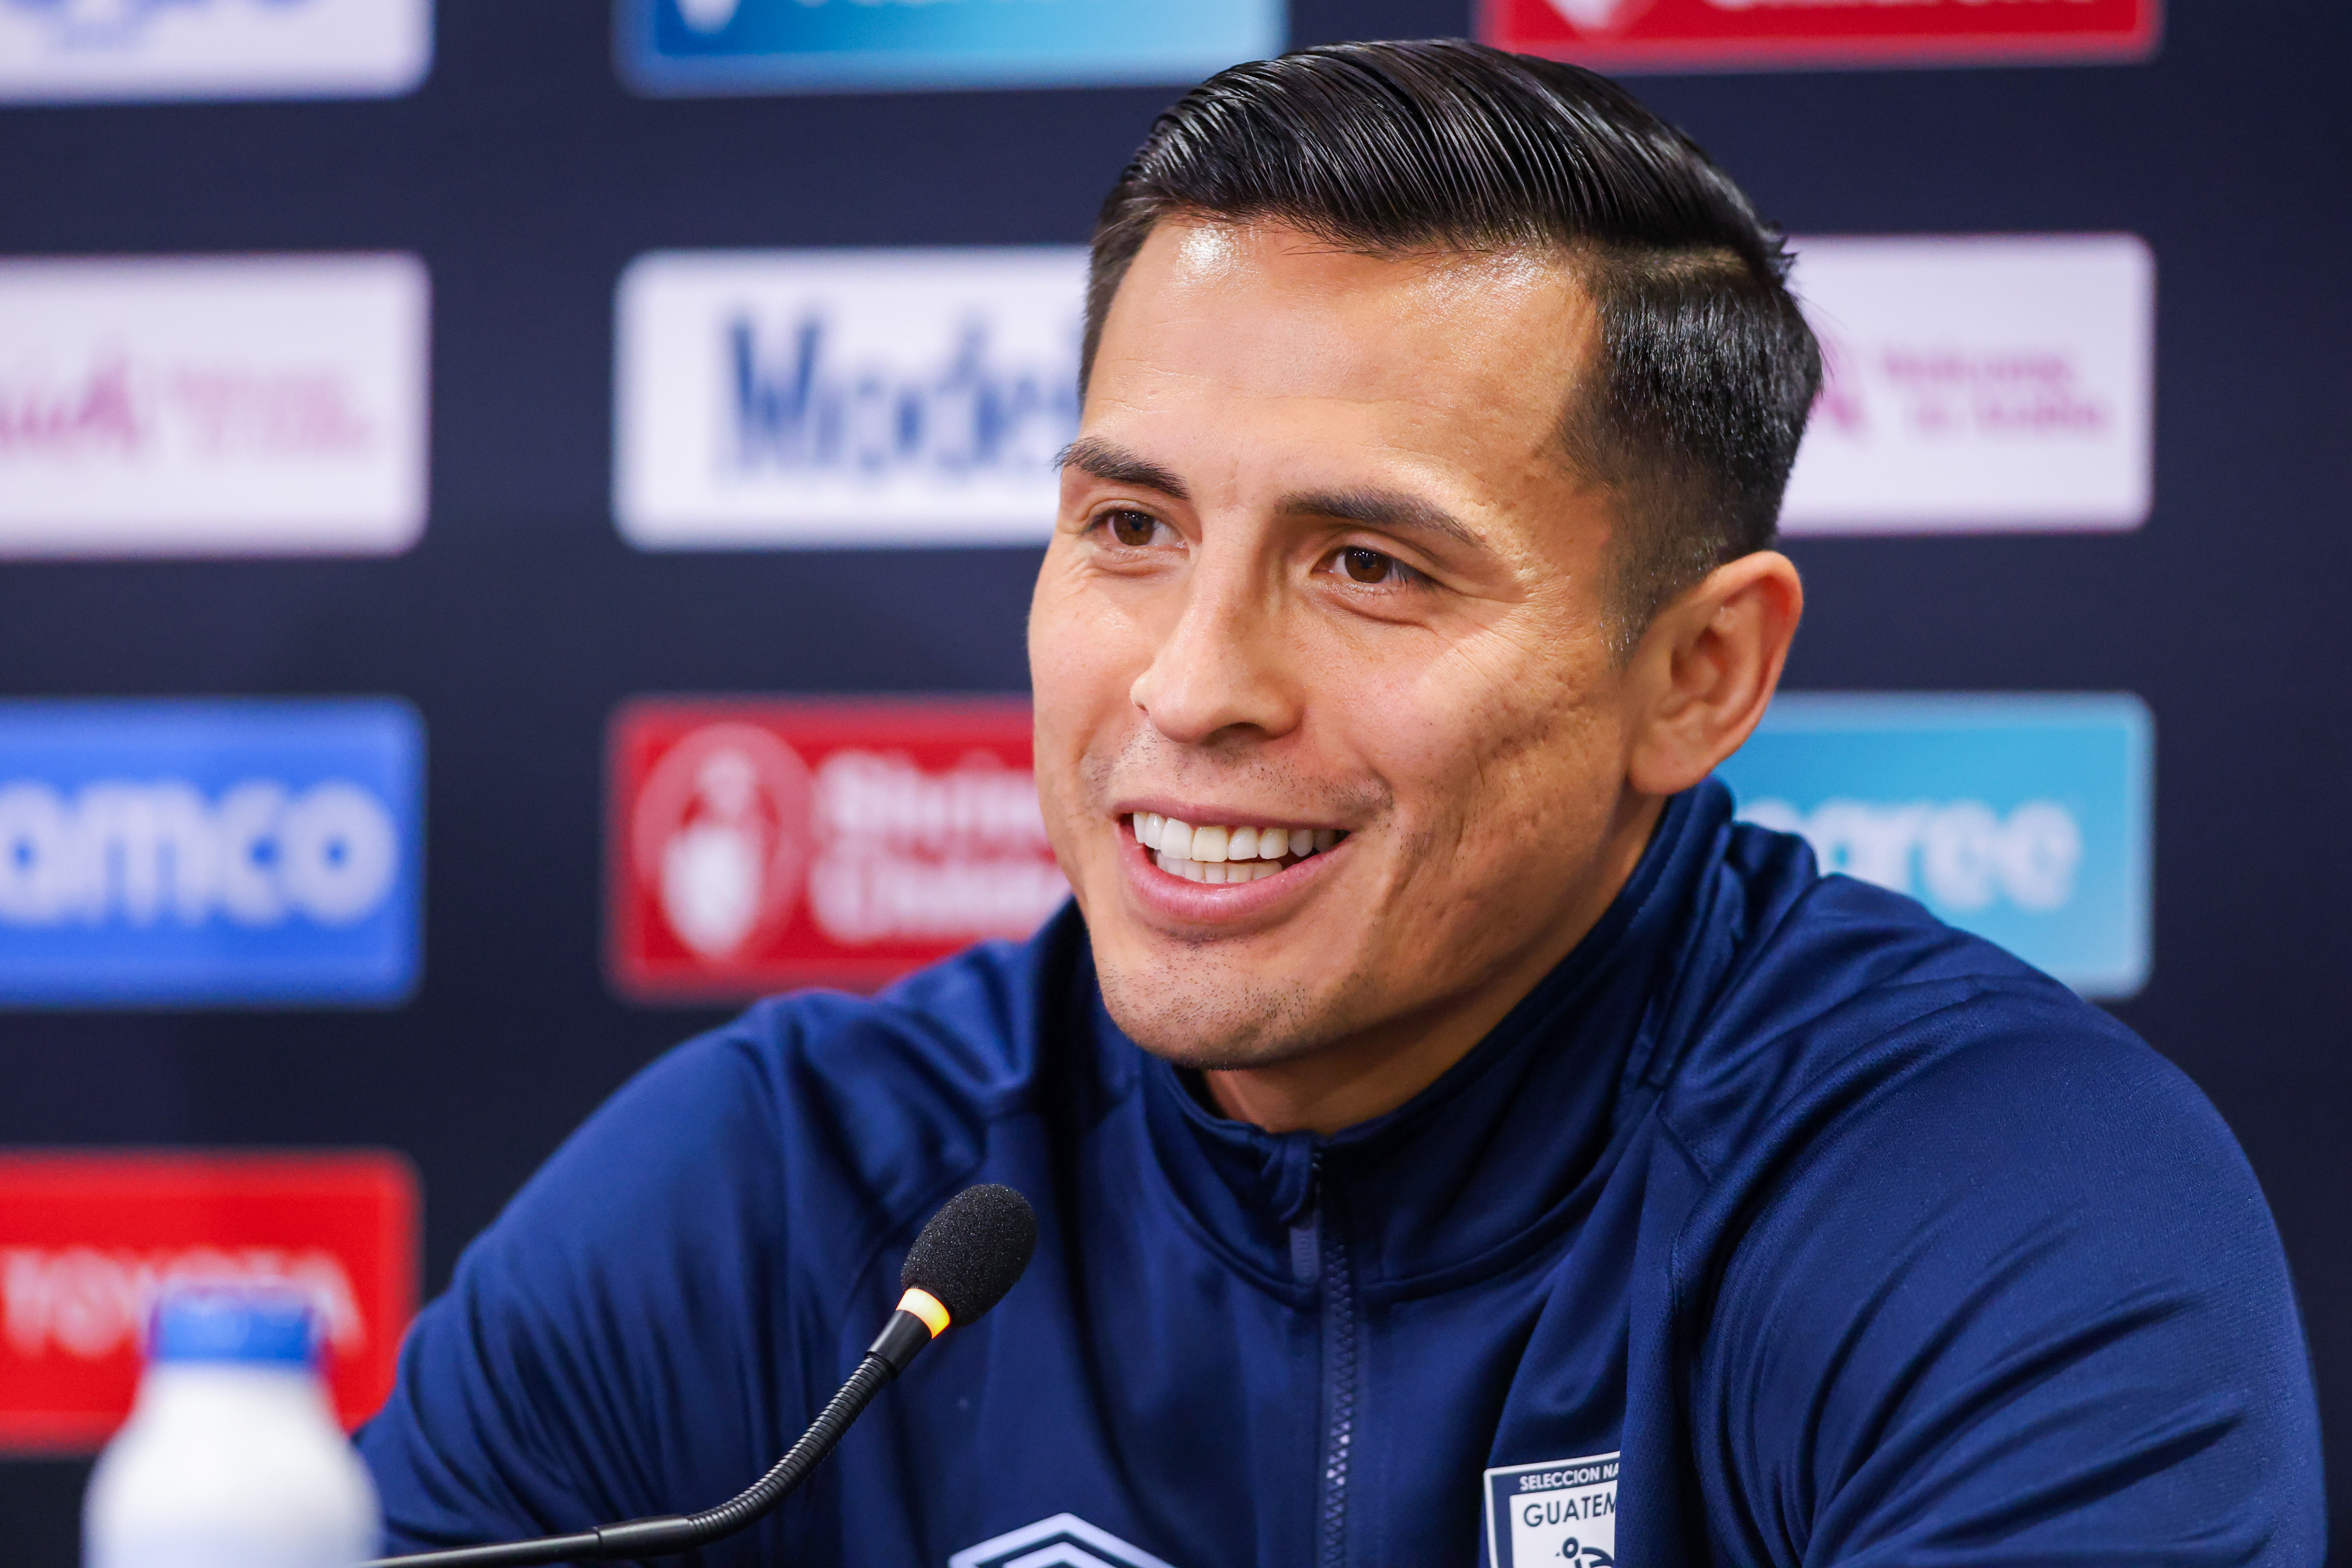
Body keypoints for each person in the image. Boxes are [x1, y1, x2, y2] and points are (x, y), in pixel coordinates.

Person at [359, 40, 2324, 1567]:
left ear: (1696, 673)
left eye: (1368, 565)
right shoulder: (779, 1192)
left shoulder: (1996, 1203)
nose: (1190, 682)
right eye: (1130, 528)